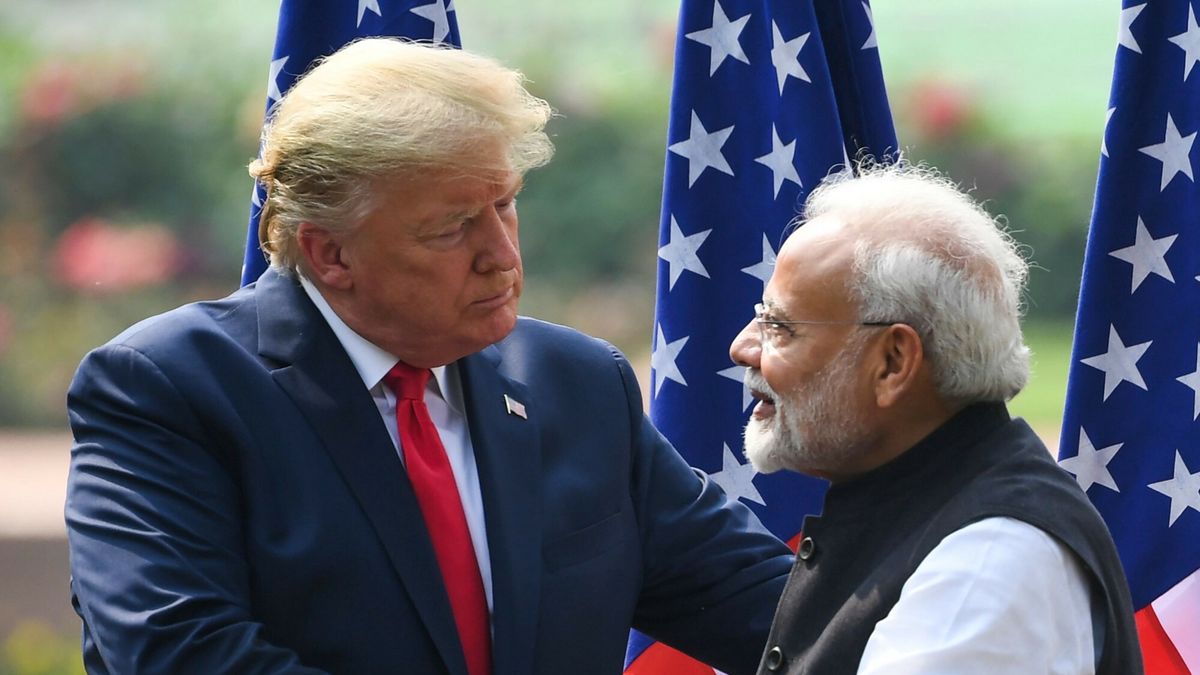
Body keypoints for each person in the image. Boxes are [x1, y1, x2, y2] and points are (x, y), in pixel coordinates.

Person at [64, 38, 793, 675]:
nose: (502, 255)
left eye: (505, 205)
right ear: (330, 254)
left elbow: (769, 608)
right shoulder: (170, 390)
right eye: (452, 228)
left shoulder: (577, 384)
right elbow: (178, 653)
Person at [729, 164, 1141, 675]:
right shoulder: (929, 504)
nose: (743, 347)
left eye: (780, 326)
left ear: (893, 362)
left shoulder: (988, 565)